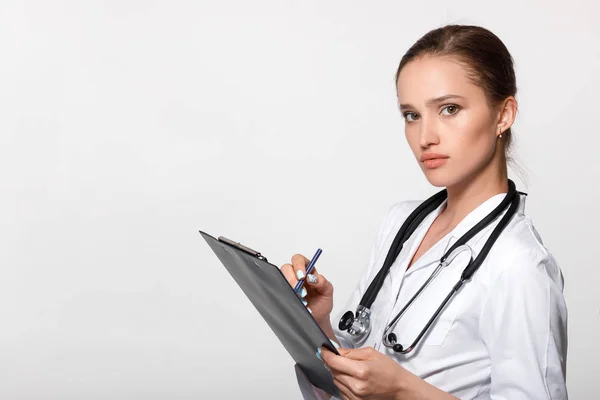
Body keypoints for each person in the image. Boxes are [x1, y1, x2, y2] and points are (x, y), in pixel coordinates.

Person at [280, 24, 568, 399]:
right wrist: (317, 326)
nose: (425, 136)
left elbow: (392, 384)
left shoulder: (519, 265)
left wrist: (403, 390)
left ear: (504, 115)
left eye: (449, 109)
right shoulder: (400, 224)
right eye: (411, 115)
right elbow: (359, 379)